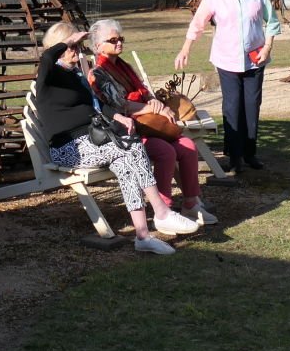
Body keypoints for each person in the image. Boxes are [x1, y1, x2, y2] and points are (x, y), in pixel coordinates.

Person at [34, 22, 199, 255]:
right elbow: (47, 58)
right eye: (72, 46)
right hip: (68, 148)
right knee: (130, 147)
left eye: (78, 46)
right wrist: (66, 41)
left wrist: (119, 117)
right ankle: (161, 212)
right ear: (59, 47)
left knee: (124, 162)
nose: (77, 50)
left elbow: (97, 105)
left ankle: (142, 235)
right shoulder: (48, 76)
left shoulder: (75, 74)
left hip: (91, 140)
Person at [86, 19, 216, 225]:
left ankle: (191, 203)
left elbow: (144, 92)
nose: (119, 43)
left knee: (188, 146)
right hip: (128, 130)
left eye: (121, 39)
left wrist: (156, 102)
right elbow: (118, 105)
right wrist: (152, 108)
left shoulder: (123, 65)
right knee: (166, 152)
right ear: (98, 45)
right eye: (113, 40)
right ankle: (163, 209)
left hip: (151, 124)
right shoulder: (98, 73)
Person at [176, 0, 281, 175]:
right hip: (226, 59)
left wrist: (267, 47)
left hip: (255, 60)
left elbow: (272, 22)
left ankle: (249, 152)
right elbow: (198, 22)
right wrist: (186, 48)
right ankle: (234, 157)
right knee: (232, 107)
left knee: (251, 106)